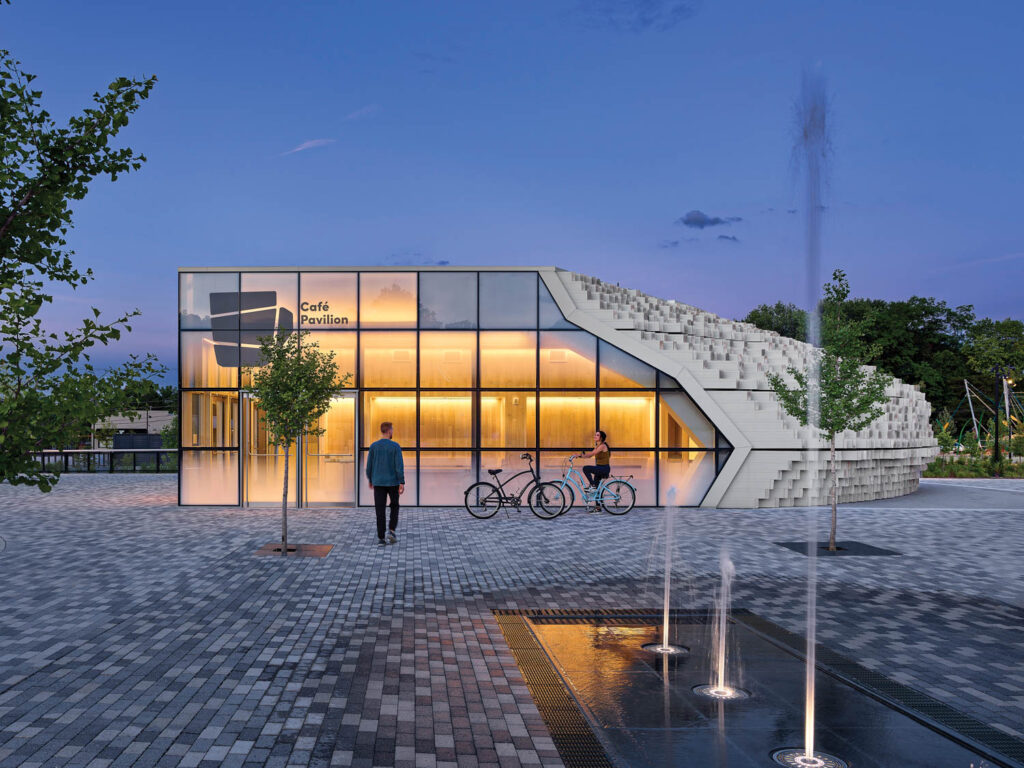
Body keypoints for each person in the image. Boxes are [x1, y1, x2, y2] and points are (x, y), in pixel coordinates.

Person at [366, 421, 405, 545]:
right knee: (394, 506)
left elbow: (369, 466)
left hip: (378, 482)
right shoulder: (395, 446)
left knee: (380, 509)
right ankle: (391, 531)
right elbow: (399, 466)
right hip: (393, 482)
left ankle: (381, 537)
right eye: (392, 430)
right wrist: (401, 481)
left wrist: (371, 479)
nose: (392, 432)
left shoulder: (374, 446)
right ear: (389, 431)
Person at [573, 431, 611, 511]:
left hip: (603, 468)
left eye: (597, 435)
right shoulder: (598, 446)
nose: (595, 436)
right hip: (600, 468)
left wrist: (580, 455)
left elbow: (591, 454)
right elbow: (589, 455)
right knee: (596, 489)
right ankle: (598, 508)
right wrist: (580, 456)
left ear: (601, 438)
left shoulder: (602, 446)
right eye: (595, 435)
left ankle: (592, 485)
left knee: (586, 468)